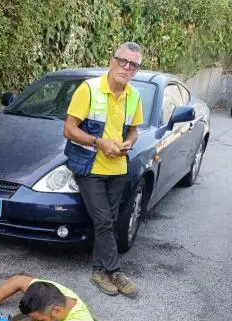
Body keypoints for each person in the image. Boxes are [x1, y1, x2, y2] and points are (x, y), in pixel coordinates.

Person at [63, 41, 145, 298]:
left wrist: (129, 142)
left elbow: (133, 130)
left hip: (117, 168)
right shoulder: (89, 89)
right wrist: (99, 143)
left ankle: (99, 271)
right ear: (112, 60)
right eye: (123, 61)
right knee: (102, 220)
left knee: (108, 221)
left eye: (133, 65)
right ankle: (115, 271)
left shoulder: (134, 96)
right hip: (91, 167)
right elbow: (69, 129)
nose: (127, 67)